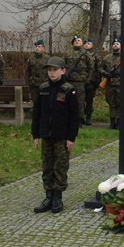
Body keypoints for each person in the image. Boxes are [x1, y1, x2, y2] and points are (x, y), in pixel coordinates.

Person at [31, 56, 79, 214]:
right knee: (47, 166)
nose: (52, 73)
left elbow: (74, 116)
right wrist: (35, 134)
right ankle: (48, 196)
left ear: (63, 70)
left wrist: (71, 137)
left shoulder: (68, 89)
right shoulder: (43, 88)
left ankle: (58, 197)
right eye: (49, 70)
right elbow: (37, 112)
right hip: (46, 134)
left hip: (61, 136)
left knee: (60, 166)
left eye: (55, 70)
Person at [64, 34, 95, 126]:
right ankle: (69, 118)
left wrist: (87, 80)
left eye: (79, 40)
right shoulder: (67, 53)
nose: (77, 42)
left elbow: (91, 68)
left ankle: (79, 119)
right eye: (75, 40)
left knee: (80, 101)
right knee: (68, 100)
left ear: (82, 43)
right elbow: (62, 66)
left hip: (81, 82)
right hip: (69, 81)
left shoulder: (86, 54)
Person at [100, 38, 122, 130]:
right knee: (111, 103)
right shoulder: (107, 57)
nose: (115, 45)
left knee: (120, 103)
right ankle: (112, 122)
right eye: (114, 44)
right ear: (112, 46)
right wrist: (105, 74)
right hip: (109, 83)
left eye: (117, 43)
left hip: (121, 84)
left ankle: (119, 122)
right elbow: (100, 68)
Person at [25, 39, 50, 104]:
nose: (37, 48)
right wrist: (27, 83)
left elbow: (50, 71)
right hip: (33, 85)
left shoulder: (47, 58)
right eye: (36, 47)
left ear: (43, 48)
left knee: (44, 103)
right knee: (35, 103)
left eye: (39, 46)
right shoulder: (31, 58)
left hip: (44, 84)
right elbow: (27, 71)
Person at [82, 38, 100, 126]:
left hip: (91, 83)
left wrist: (96, 82)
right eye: (85, 43)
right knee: (80, 100)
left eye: (88, 43)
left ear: (92, 45)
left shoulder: (95, 56)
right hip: (80, 81)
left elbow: (98, 69)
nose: (86, 45)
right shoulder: (80, 55)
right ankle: (80, 117)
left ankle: (88, 118)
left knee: (89, 101)